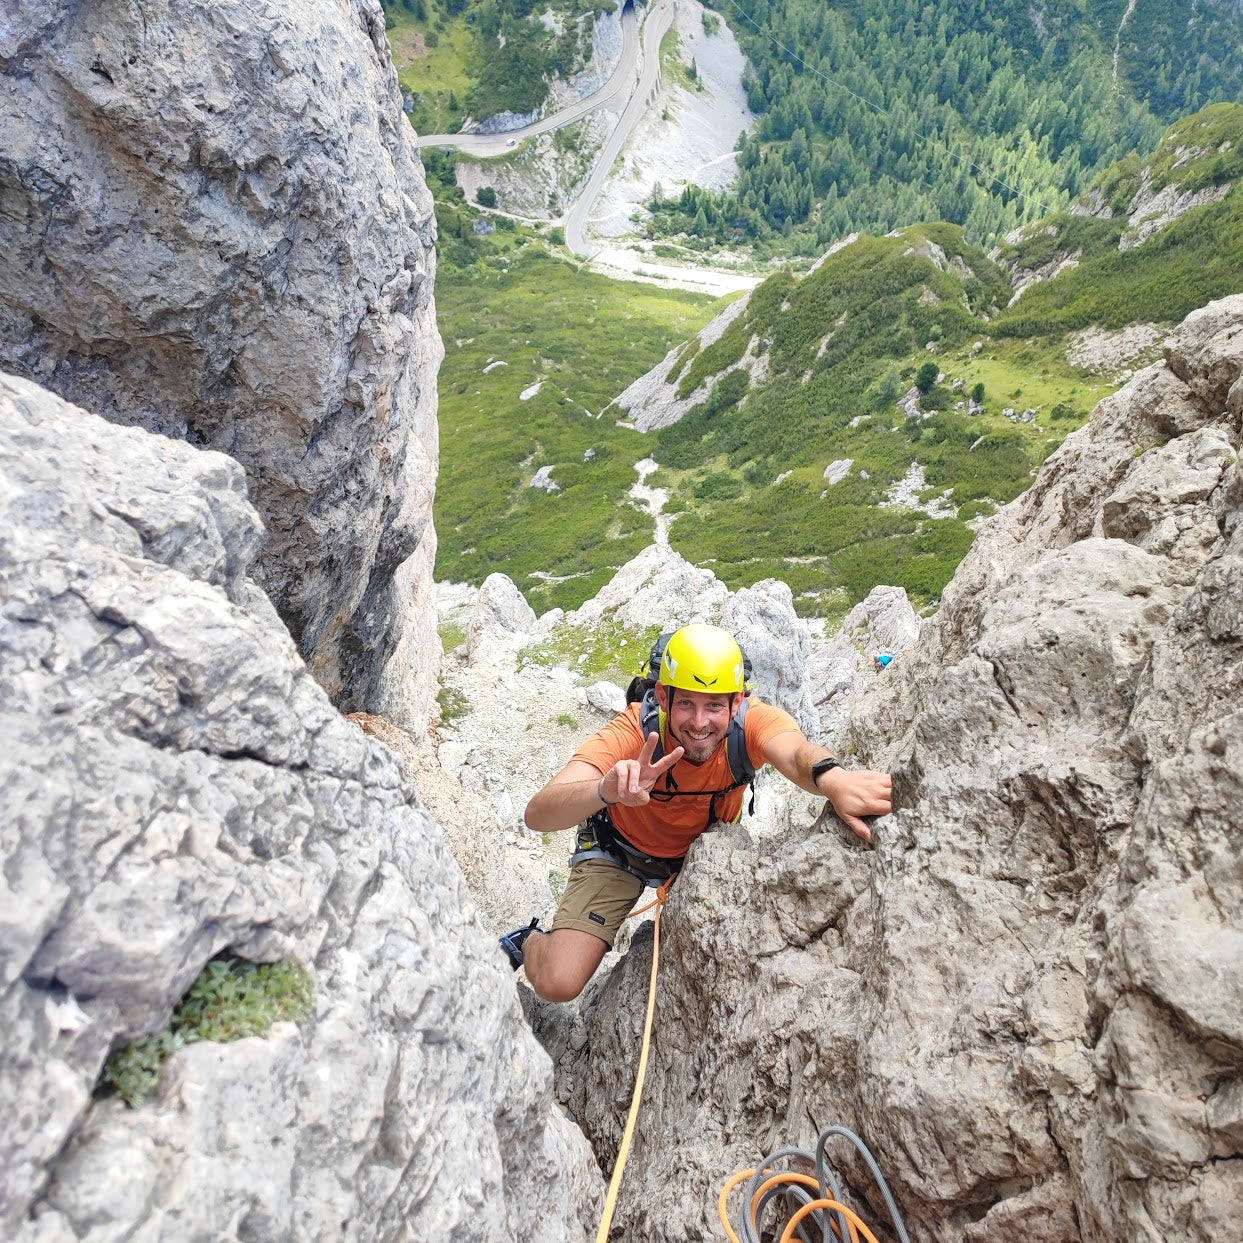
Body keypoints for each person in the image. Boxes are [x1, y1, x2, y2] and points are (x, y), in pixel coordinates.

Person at [501, 623, 893, 1002]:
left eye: (714, 706)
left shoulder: (751, 723)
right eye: (686, 702)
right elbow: (538, 814)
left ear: (736, 702)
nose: (700, 723)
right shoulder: (633, 732)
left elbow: (794, 752)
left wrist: (833, 778)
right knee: (558, 982)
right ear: (663, 696)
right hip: (619, 851)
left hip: (700, 860)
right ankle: (530, 941)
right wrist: (606, 790)